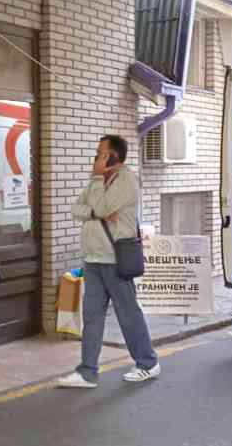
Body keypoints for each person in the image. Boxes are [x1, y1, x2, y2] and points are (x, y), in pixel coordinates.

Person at [57, 135, 160, 388]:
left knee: (128, 314)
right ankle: (87, 372)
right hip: (93, 258)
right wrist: (95, 208)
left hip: (115, 259)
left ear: (114, 156)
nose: (97, 157)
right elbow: (77, 209)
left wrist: (95, 186)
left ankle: (147, 363)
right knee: (92, 317)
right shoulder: (101, 180)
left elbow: (101, 207)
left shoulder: (126, 180)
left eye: (101, 152)